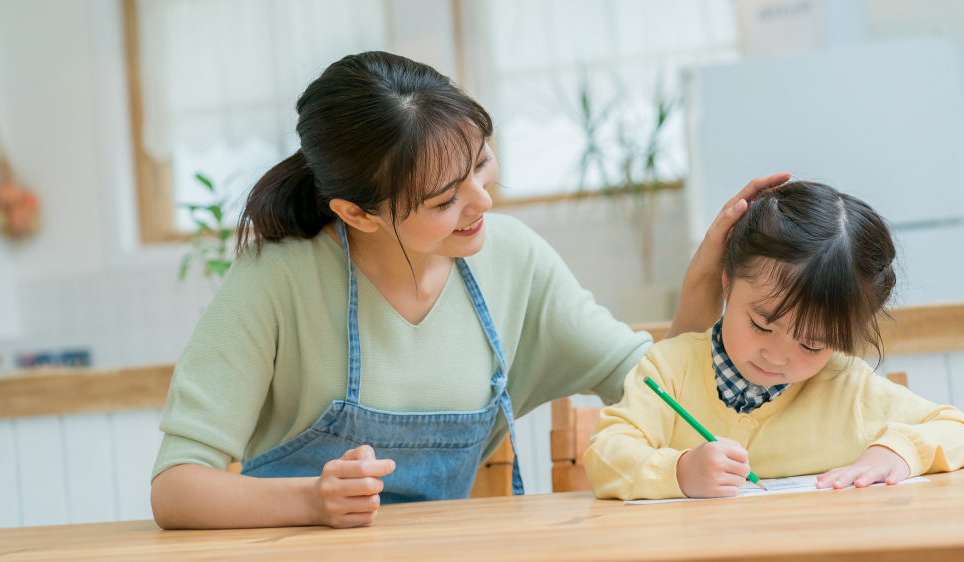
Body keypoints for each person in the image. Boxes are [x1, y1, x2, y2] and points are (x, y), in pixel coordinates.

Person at [150, 51, 788, 529]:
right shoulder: (277, 279)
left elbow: (655, 389)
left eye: (481, 162)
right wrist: (312, 500)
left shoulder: (511, 259)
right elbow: (176, 488)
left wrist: (705, 280)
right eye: (443, 198)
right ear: (357, 214)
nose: (482, 201)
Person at [584, 181, 964, 500]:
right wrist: (680, 471)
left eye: (811, 345)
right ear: (727, 282)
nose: (776, 355)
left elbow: (961, 430)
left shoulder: (847, 386)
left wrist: (898, 451)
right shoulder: (669, 368)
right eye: (760, 324)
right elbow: (604, 456)